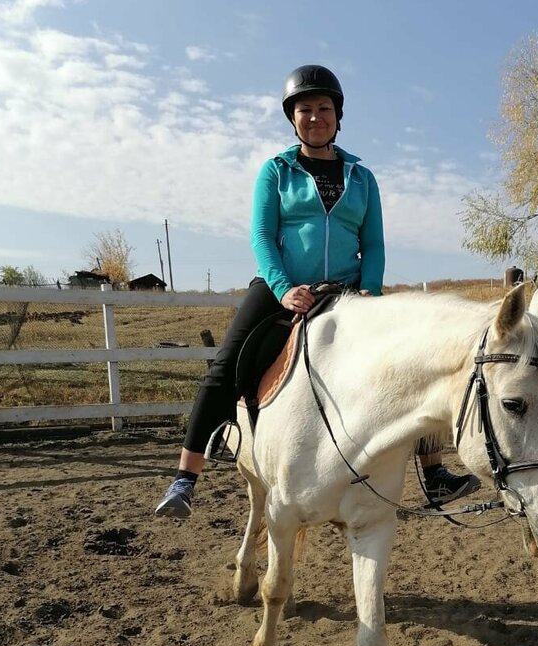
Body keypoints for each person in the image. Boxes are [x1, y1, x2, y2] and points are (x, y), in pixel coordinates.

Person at [155, 64, 480, 518]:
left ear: (337, 115)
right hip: (283, 287)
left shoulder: (362, 178)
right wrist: (284, 288)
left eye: (323, 108)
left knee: (411, 358)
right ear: (293, 118)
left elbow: (374, 243)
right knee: (224, 365)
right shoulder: (276, 171)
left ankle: (434, 474)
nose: (314, 116)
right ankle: (185, 479)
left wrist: (369, 291)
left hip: (348, 291)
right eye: (304, 109)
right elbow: (262, 238)